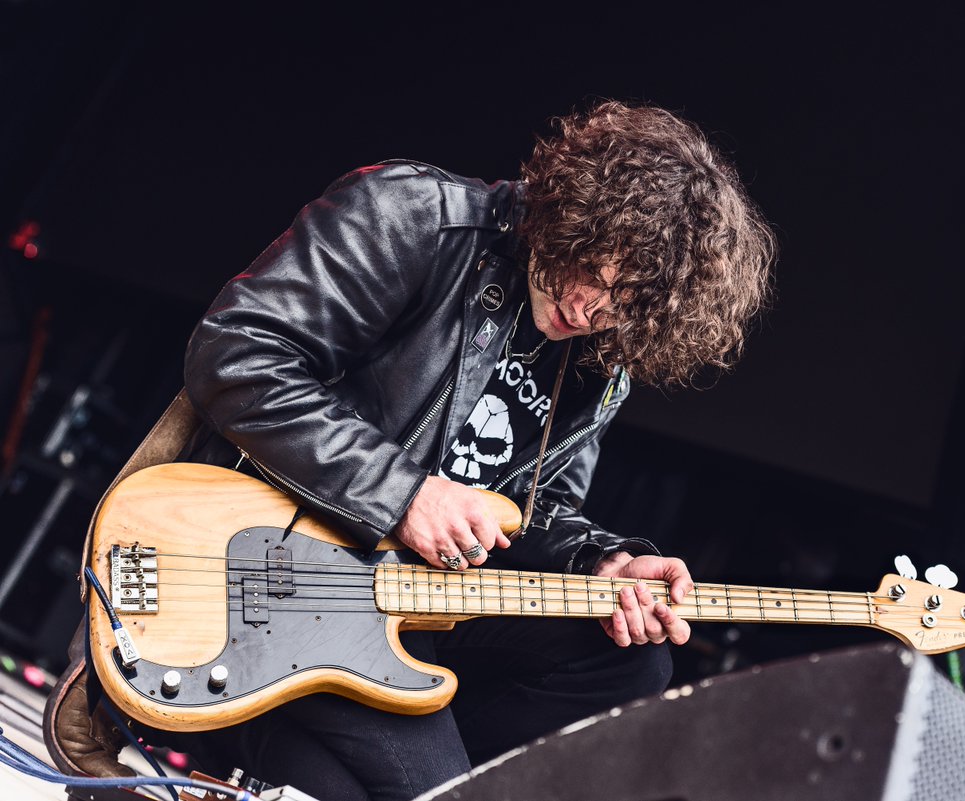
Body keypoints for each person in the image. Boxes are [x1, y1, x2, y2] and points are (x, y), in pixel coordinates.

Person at [163, 101, 774, 800]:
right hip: (278, 572)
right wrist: (402, 494)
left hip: (404, 609)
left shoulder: (601, 365)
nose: (586, 307)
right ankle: (326, 745)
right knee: (436, 787)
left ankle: (347, 757)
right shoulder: (414, 215)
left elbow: (538, 507)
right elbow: (236, 354)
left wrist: (603, 559)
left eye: (620, 305)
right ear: (574, 210)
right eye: (590, 270)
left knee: (633, 661)